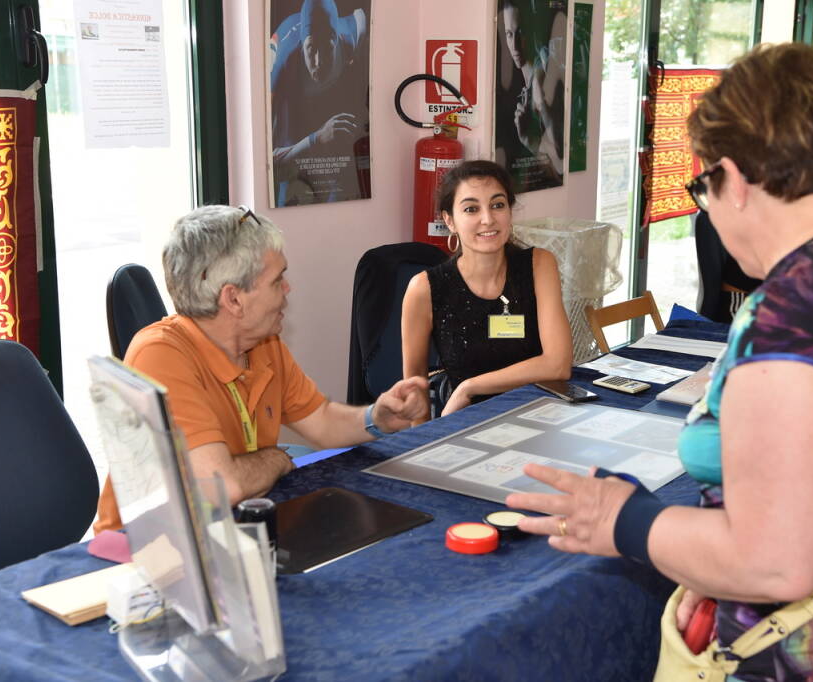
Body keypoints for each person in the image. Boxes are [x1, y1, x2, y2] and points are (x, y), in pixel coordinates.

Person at [507, 43, 813, 681]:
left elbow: (775, 563)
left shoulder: (787, 315)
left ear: (731, 177)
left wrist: (624, 519)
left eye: (703, 186)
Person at [94, 205, 428, 532]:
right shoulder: (160, 355)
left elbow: (323, 422)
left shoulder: (261, 343)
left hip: (229, 530)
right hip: (142, 552)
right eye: (277, 280)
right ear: (233, 299)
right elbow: (223, 487)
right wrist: (275, 459)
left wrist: (376, 418)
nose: (287, 289)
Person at [401, 160, 572, 417]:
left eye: (497, 205)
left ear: (510, 212)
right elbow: (414, 387)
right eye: (471, 209)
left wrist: (469, 387)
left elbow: (558, 365)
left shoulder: (539, 264)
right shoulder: (424, 288)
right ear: (449, 221)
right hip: (467, 422)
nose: (488, 219)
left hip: (540, 415)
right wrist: (424, 444)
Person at [270, 0, 368, 205]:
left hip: (334, 94)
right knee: (286, 177)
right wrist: (316, 138)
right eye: (311, 49)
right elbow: (273, 160)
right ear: (302, 45)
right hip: (291, 96)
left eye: (326, 48)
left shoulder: (355, 32)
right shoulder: (282, 67)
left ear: (337, 40)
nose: (318, 61)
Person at [496, 0, 565, 185]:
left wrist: (530, 140)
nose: (515, 44)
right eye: (509, 34)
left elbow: (560, 164)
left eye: (521, 33)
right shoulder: (529, 81)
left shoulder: (540, 83)